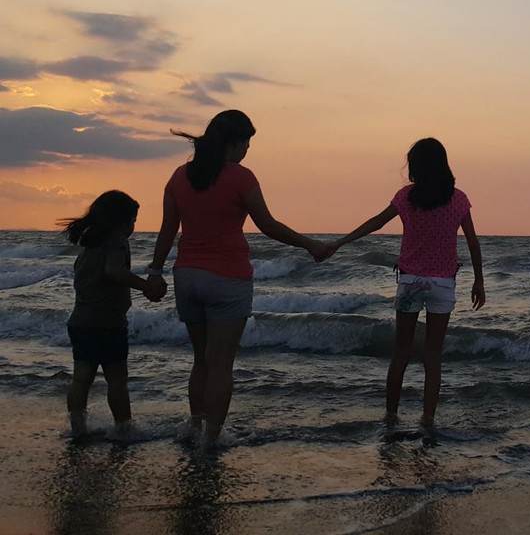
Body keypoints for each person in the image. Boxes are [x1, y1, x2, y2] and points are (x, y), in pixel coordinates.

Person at [149, 109, 333, 447]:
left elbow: (166, 232)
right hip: (227, 277)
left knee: (202, 360)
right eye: (245, 142)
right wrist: (310, 244)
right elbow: (268, 225)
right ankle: (211, 439)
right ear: (231, 143)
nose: (248, 149)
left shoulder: (179, 177)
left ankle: (195, 425)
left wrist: (155, 272)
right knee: (221, 364)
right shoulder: (241, 177)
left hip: (186, 276)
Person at [333, 138, 485, 429]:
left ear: (415, 167)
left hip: (411, 282)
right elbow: (473, 243)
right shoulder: (458, 199)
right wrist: (478, 280)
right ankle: (428, 418)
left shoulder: (406, 197)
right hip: (442, 284)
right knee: (433, 356)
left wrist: (340, 242)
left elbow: (375, 223)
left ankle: (391, 414)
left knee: (401, 351)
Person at [61, 190, 167, 438]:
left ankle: (78, 429)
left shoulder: (89, 246)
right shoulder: (117, 241)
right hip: (107, 323)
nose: (133, 227)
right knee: (117, 379)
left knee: (81, 379)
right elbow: (114, 271)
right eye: (133, 221)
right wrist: (146, 286)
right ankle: (124, 428)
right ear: (122, 222)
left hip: (81, 321)